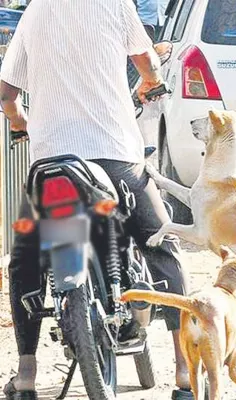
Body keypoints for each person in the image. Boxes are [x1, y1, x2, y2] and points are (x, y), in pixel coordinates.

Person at [0, 1, 195, 399]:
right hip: (114, 154)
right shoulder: (114, 4)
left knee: (25, 258)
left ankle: (27, 374)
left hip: (53, 162)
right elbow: (147, 64)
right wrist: (149, 83)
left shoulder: (35, 12)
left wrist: (20, 121)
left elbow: (6, 92)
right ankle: (183, 368)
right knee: (161, 241)